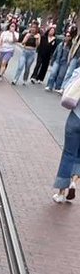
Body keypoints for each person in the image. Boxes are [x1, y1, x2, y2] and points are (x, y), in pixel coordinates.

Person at [51, 69, 80, 204]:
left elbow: (67, 87)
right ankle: (74, 181)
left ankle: (61, 193)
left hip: (76, 117)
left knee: (68, 154)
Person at [11, 20, 40, 85]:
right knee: (20, 66)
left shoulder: (38, 35)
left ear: (36, 29)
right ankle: (15, 79)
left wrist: (36, 39)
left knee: (27, 67)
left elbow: (37, 45)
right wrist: (27, 37)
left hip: (32, 53)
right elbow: (23, 43)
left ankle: (25, 79)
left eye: (35, 27)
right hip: (25, 52)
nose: (33, 29)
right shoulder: (28, 34)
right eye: (32, 27)